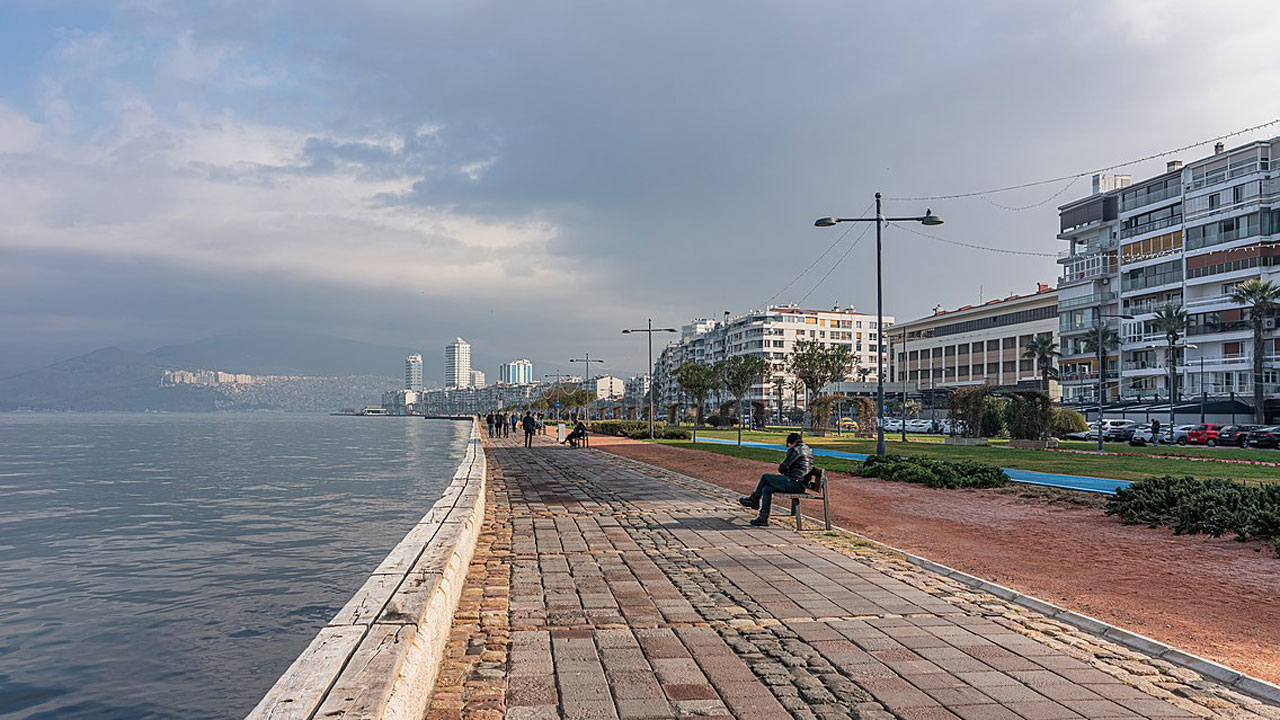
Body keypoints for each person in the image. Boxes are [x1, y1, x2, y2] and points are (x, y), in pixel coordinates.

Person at [739, 433, 813, 527]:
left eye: (788, 445)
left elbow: (782, 468)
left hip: (794, 483)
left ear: (791, 443)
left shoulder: (795, 450)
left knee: (765, 477)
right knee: (766, 489)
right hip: (800, 484)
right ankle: (763, 518)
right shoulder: (807, 449)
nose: (788, 447)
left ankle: (754, 499)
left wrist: (785, 469)